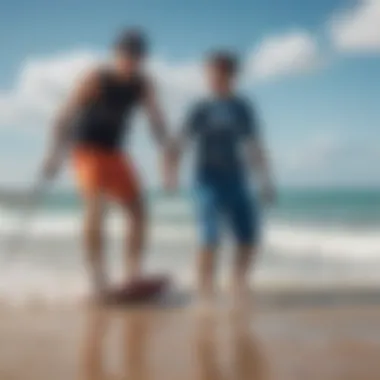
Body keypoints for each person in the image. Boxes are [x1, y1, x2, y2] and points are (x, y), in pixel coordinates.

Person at [41, 29, 169, 300]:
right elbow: (64, 115)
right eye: (126, 53)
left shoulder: (142, 84)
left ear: (142, 58)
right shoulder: (96, 78)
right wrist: (53, 155)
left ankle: (132, 275)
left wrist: (166, 147)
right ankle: (97, 278)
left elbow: (156, 118)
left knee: (139, 211)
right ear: (116, 54)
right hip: (87, 149)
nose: (130, 59)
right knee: (96, 208)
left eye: (136, 55)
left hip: (114, 153)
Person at [167, 51, 275, 306]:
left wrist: (265, 181)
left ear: (231, 75)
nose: (213, 78)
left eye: (219, 73)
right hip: (207, 179)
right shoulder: (200, 109)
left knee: (249, 236)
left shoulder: (242, 108)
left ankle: (239, 284)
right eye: (210, 73)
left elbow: (254, 145)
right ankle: (205, 291)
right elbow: (180, 142)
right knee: (210, 236)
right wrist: (171, 174)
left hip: (237, 178)